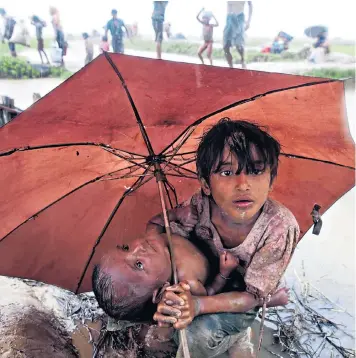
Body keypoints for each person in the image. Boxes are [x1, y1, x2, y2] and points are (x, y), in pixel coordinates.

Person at [148, 119, 299, 357]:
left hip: (241, 297)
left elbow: (251, 296)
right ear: (206, 184)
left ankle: (238, 336)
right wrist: (171, 293)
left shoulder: (279, 228)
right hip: (204, 282)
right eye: (227, 172)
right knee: (162, 319)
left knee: (194, 335)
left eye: (256, 170)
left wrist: (197, 306)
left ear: (271, 180)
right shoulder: (199, 206)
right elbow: (159, 230)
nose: (243, 184)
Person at [92, 232, 289, 356]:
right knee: (185, 338)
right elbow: (213, 292)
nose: (138, 247)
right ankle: (243, 333)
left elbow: (223, 298)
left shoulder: (157, 237)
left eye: (125, 247)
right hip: (215, 297)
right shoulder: (187, 283)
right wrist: (223, 274)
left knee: (198, 336)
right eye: (138, 264)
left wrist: (226, 274)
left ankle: (240, 333)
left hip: (228, 301)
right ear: (160, 292)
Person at [223, 1, 253, 69]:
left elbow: (250, 4)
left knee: (238, 44)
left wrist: (248, 21)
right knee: (225, 46)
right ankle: (231, 66)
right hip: (229, 18)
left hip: (240, 17)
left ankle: (242, 60)